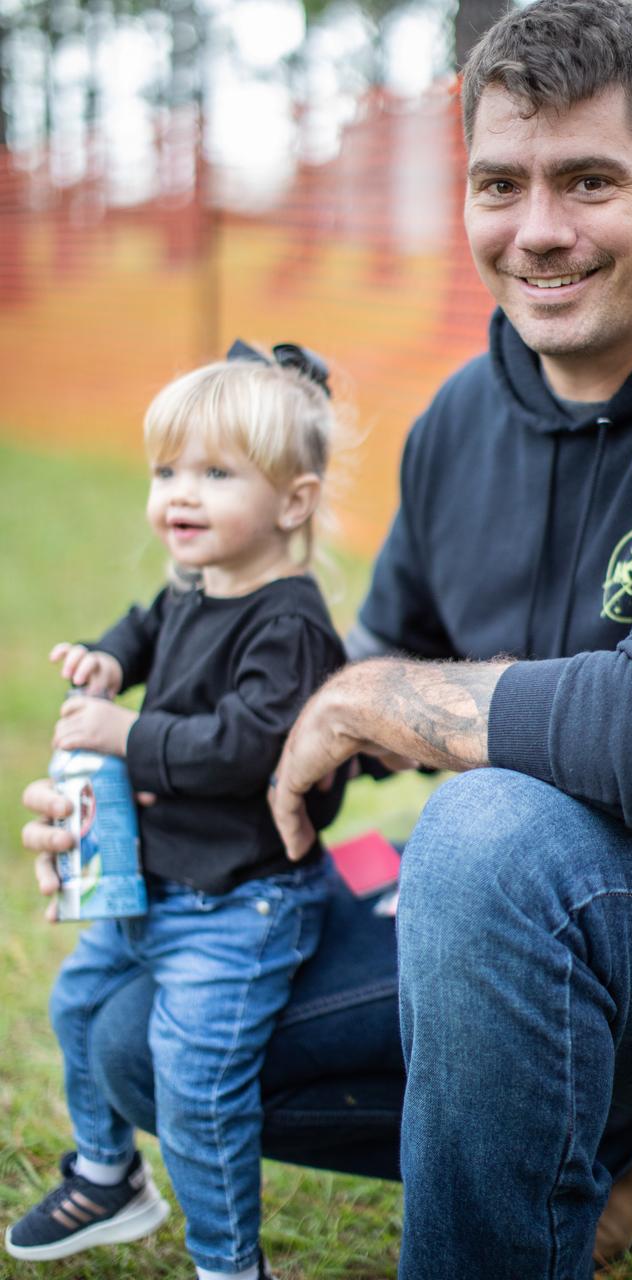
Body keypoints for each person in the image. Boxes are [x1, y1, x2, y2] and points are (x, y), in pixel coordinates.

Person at [18, 0, 632, 1276]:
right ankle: (609, 1123)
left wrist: (374, 702)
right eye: (498, 183)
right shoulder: (459, 419)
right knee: (144, 1031)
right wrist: (143, 774)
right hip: (541, 902)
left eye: (587, 180)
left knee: (485, 837)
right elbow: (336, 700)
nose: (538, 231)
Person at [7, 342, 347, 1280]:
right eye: (166, 472)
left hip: (240, 906)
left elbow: (249, 747)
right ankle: (108, 1174)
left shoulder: (290, 623)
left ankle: (228, 1264)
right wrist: (111, 660)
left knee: (197, 1086)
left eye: (213, 472)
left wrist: (126, 734)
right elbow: (148, 622)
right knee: (77, 1007)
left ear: (293, 501)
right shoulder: (197, 582)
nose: (178, 495)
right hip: (157, 883)